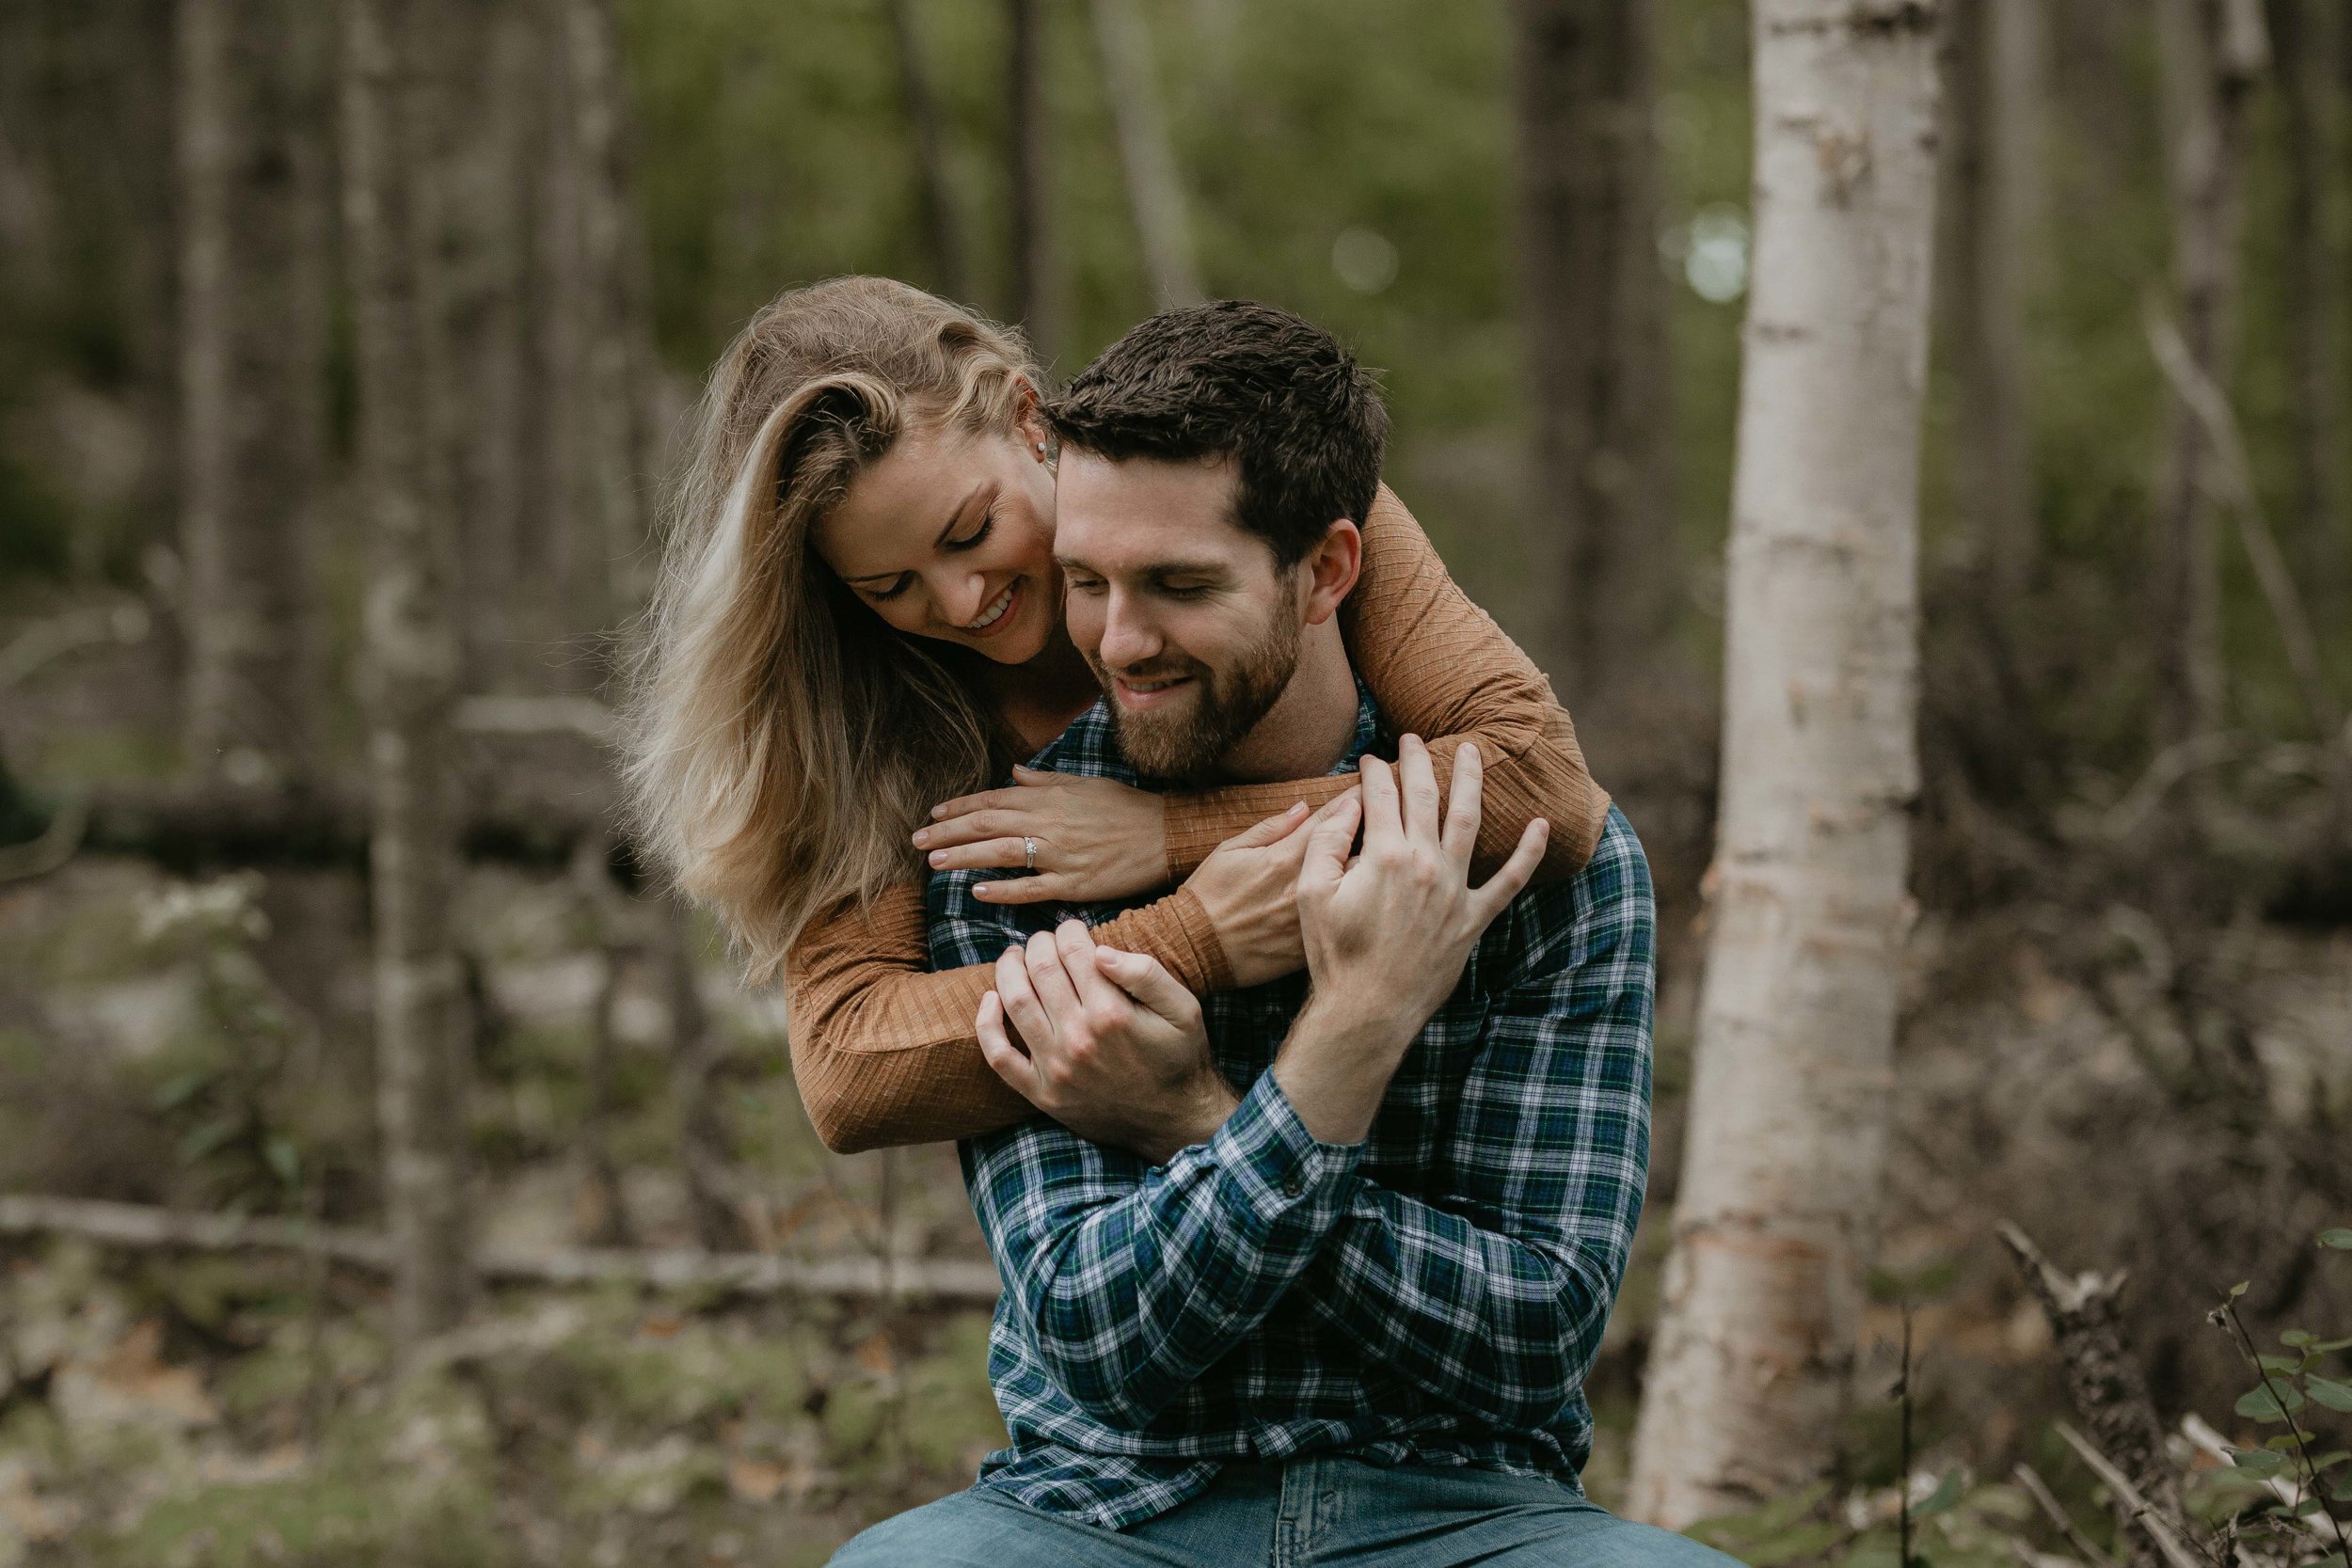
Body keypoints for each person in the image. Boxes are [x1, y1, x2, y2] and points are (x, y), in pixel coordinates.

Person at [825, 302, 1730, 1567]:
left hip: (1471, 1514)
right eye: (1086, 581)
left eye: (1179, 585)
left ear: (1329, 570)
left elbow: (1535, 1334)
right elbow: (1102, 1336)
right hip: (1098, 1511)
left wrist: (1211, 1110)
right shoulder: (1010, 855)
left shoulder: (1546, 867)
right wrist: (1321, 1053)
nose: (1119, 642)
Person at [622, 277, 1612, 1160]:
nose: (962, 601)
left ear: (1024, 417)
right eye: (890, 584)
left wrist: (1173, 832)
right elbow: (852, 1067)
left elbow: (1537, 783)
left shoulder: (1225, 483)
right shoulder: (873, 708)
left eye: (971, 531)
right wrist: (1192, 934)